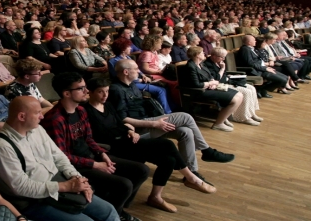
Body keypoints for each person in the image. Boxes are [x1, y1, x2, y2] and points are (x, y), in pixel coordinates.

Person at [0, 96, 131, 221]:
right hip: (35, 202)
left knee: (109, 211)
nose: (42, 116)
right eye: (37, 113)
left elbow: (59, 157)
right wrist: (65, 186)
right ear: (22, 116)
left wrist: (77, 178)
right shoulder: (1, 147)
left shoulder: (37, 130)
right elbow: (20, 188)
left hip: (61, 186)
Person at [85, 77, 216, 213]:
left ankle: (155, 197)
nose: (105, 95)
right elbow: (103, 134)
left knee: (169, 160)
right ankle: (191, 177)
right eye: (101, 92)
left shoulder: (108, 105)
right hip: (114, 147)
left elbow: (120, 123)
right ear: (91, 92)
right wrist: (126, 130)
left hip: (127, 141)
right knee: (167, 144)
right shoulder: (87, 111)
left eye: (106, 91)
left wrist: (130, 130)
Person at [42, 72, 150, 221]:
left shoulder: (80, 110)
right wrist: (96, 165)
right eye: (81, 88)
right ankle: (111, 215)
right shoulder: (55, 119)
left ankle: (116, 209)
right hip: (75, 166)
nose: (86, 91)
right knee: (124, 184)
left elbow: (89, 139)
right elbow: (62, 156)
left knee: (142, 170)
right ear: (66, 93)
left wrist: (102, 154)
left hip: (91, 156)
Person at [109, 59, 234, 175]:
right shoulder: (116, 89)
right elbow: (122, 119)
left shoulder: (132, 85)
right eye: (136, 69)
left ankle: (192, 172)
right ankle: (207, 151)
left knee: (186, 131)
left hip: (148, 120)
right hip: (137, 128)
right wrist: (154, 124)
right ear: (126, 72)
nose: (139, 71)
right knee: (185, 117)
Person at [178, 47, 244, 132]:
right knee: (235, 100)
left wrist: (212, 82)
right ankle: (218, 124)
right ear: (197, 55)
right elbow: (196, 84)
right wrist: (210, 84)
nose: (204, 54)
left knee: (239, 95)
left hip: (209, 88)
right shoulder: (190, 66)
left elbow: (210, 76)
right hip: (199, 92)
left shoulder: (201, 64)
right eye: (202, 53)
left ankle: (223, 118)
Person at [108, 37, 173, 114]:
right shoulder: (113, 61)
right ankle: (167, 112)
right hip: (130, 84)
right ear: (123, 49)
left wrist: (143, 76)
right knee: (160, 90)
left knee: (165, 85)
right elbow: (117, 77)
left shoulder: (128, 57)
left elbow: (137, 69)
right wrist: (140, 80)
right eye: (128, 47)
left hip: (138, 80)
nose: (130, 48)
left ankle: (172, 108)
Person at [205, 47, 263, 125]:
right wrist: (222, 69)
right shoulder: (207, 64)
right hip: (220, 85)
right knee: (246, 92)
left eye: (224, 57)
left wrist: (229, 75)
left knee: (252, 88)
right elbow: (216, 79)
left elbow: (223, 76)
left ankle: (251, 113)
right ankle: (243, 117)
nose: (223, 59)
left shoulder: (218, 61)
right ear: (214, 56)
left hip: (228, 81)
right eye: (222, 57)